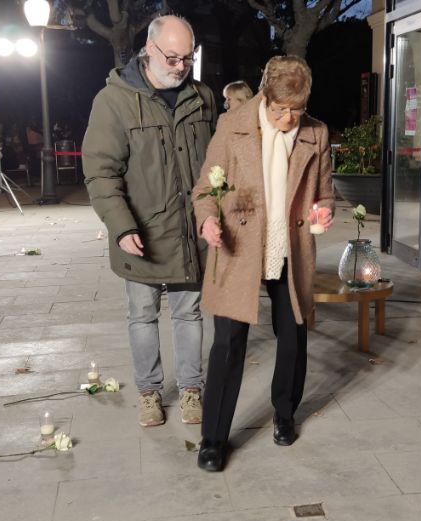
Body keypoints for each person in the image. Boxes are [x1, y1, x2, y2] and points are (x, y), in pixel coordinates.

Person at [192, 56, 335, 472]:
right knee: (227, 343)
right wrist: (208, 220)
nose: (289, 118)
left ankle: (285, 415)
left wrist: (322, 212)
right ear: (264, 96)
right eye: (280, 110)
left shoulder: (317, 133)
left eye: (297, 109)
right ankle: (213, 439)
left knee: (293, 335)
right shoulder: (231, 125)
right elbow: (204, 189)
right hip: (238, 244)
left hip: (289, 244)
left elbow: (325, 193)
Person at [83, 14, 218, 428]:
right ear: (149, 48)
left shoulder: (203, 97)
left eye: (187, 58)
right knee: (142, 315)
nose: (180, 66)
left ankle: (192, 389)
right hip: (140, 232)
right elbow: (100, 171)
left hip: (188, 232)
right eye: (172, 57)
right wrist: (122, 226)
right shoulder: (115, 100)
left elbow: (215, 167)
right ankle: (149, 393)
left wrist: (211, 212)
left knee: (189, 313)